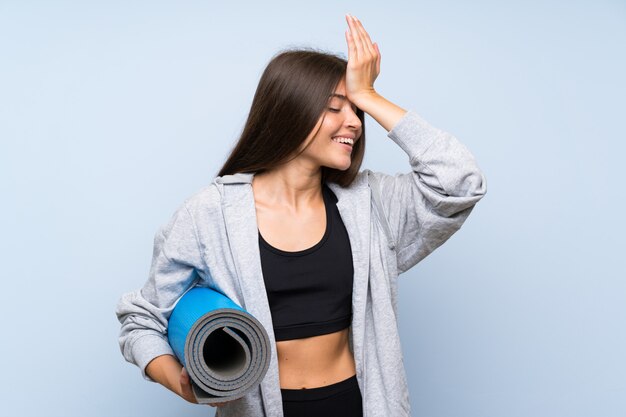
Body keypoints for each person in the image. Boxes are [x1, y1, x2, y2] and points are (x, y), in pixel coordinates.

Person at [116, 13, 487, 417]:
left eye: (357, 110)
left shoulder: (370, 203)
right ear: (290, 112)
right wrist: (179, 382)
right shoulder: (210, 213)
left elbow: (460, 182)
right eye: (335, 107)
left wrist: (371, 96)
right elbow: (142, 318)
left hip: (356, 405)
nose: (354, 123)